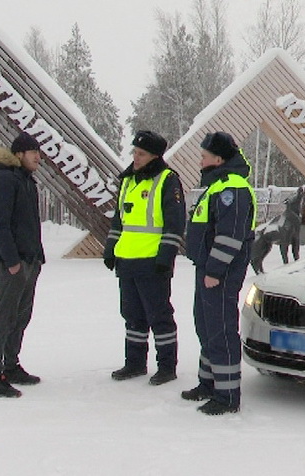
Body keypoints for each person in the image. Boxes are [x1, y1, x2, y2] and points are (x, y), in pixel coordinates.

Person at [103, 130, 186, 386]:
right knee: (132, 315)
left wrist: (166, 256)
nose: (135, 158)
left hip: (152, 261)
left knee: (159, 315)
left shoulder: (167, 180)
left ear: (154, 156)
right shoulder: (128, 181)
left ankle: (166, 366)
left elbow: (175, 223)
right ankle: (135, 363)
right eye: (134, 153)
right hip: (127, 259)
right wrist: (111, 246)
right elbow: (120, 219)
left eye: (141, 154)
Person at [182, 131, 257, 415]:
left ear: (218, 158)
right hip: (207, 269)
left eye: (203, 156)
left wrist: (214, 270)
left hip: (220, 272)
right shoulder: (217, 186)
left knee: (221, 329)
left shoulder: (232, 189)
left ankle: (226, 395)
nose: (200, 161)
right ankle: (209, 383)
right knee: (205, 325)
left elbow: (230, 236)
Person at [0, 132, 46, 398]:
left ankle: (11, 365)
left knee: (20, 316)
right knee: (4, 317)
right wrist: (11, 261)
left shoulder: (26, 181)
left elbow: (29, 224)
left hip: (28, 260)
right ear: (19, 154)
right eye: (34, 153)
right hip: (13, 263)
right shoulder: (5, 179)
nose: (38, 158)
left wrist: (37, 257)